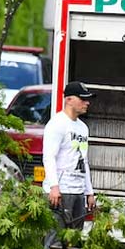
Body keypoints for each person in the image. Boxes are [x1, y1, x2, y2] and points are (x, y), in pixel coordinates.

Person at [42, 81, 96, 237]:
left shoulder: (83, 128)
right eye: (82, 99)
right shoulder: (57, 124)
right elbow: (49, 157)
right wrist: (54, 186)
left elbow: (84, 160)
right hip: (61, 190)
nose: (87, 103)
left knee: (73, 239)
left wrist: (89, 192)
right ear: (68, 99)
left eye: (87, 99)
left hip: (78, 191)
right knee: (55, 239)